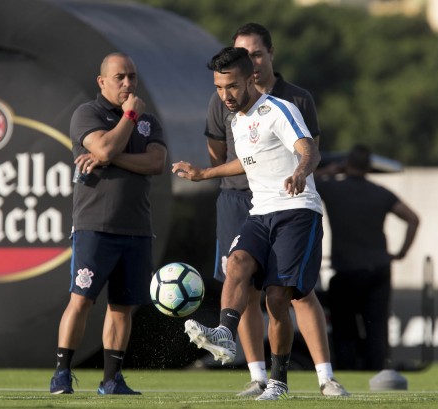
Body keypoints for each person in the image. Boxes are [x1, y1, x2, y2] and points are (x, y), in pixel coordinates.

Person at [173, 46, 338, 401]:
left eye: (231, 86)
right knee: (237, 263)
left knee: (277, 299)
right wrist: (205, 173)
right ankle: (224, 333)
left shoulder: (279, 109)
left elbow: (309, 148)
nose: (225, 95)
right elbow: (248, 162)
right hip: (260, 212)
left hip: (297, 211)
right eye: (218, 87)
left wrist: (299, 171)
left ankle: (278, 381)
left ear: (251, 78)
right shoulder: (238, 121)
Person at [49, 53, 167, 395]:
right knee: (82, 299)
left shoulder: (150, 121)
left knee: (122, 307)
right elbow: (101, 146)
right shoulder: (87, 113)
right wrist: (128, 118)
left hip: (136, 227)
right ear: (102, 82)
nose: (128, 83)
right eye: (120, 78)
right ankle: (61, 372)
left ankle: (112, 379)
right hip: (95, 225)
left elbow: (156, 162)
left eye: (132, 76)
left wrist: (110, 155)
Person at [314, 144, 420, 370]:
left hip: (346, 271)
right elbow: (413, 219)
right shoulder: (381, 193)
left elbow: (304, 181)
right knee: (377, 327)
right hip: (378, 269)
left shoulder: (333, 188)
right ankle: (378, 370)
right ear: (369, 167)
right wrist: (401, 253)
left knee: (344, 329)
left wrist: (330, 171)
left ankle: (347, 370)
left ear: (346, 164)